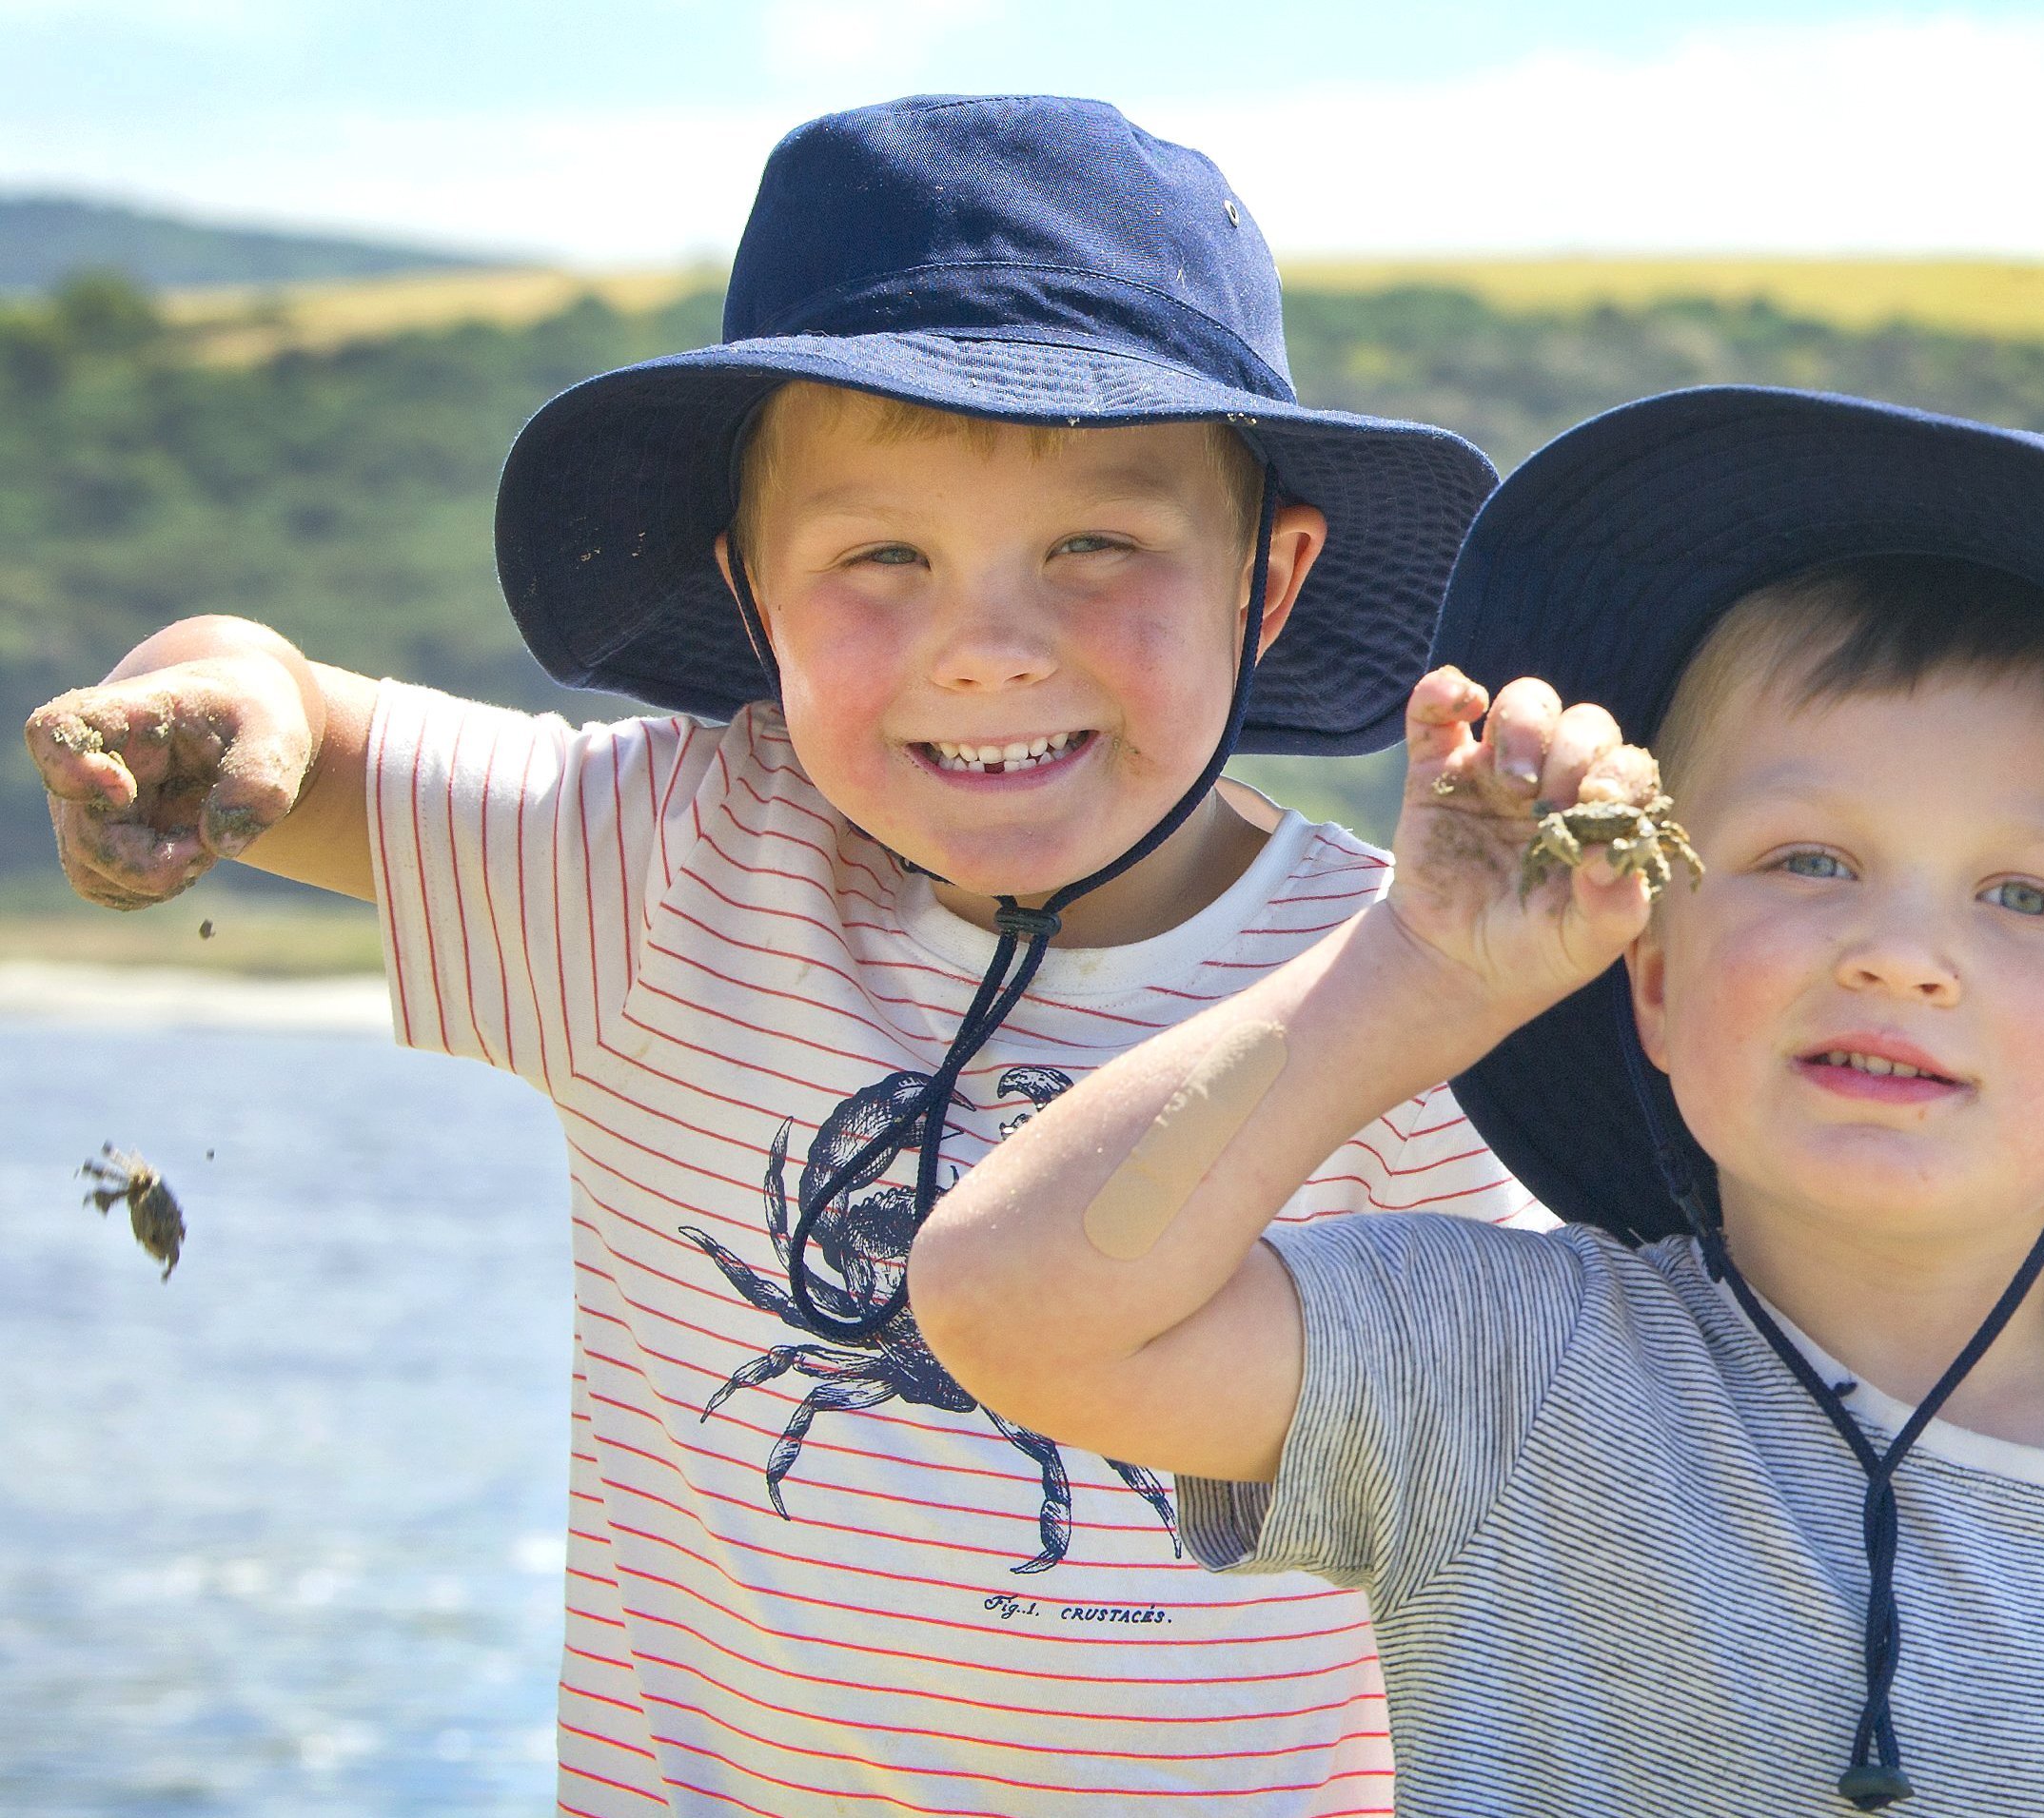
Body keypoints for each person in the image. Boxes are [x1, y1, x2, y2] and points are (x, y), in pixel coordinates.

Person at [23, 96, 1548, 1814]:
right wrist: (206, 706)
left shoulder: (1414, 984)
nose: (984, 650)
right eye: (878, 555)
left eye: (1095, 547)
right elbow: (295, 710)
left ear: (1265, 587)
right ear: (751, 590)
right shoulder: (667, 872)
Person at [912, 386, 2044, 1815]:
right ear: (1649, 979)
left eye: (2023, 894)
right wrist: (1417, 969)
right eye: (1806, 862)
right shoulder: (1507, 1368)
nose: (1898, 956)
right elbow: (1010, 1303)